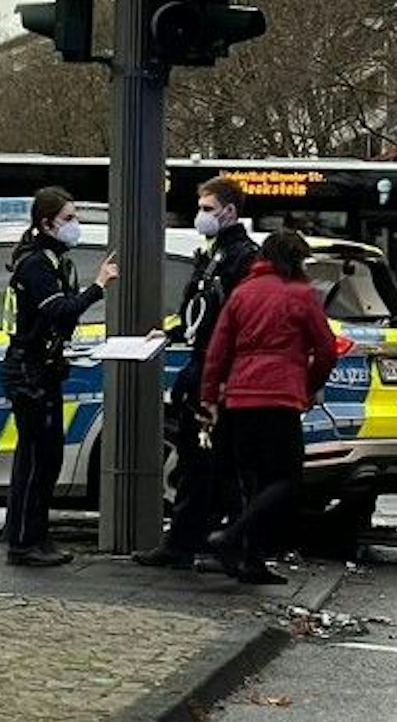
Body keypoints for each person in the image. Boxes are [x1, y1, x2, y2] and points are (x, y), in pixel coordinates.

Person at [199, 229, 337, 586]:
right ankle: (233, 536)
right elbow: (326, 350)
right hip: (280, 398)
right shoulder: (301, 295)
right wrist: (307, 386)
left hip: (240, 397)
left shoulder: (243, 292)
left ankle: (251, 561)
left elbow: (217, 350)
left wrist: (209, 397)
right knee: (286, 479)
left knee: (253, 481)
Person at [136, 174, 259, 569]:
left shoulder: (244, 258)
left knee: (221, 464)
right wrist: (170, 330)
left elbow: (234, 319)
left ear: (229, 211)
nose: (200, 217)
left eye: (207, 209)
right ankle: (190, 542)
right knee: (198, 461)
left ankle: (229, 544)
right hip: (201, 365)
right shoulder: (209, 255)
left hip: (220, 369)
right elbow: (194, 309)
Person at [0, 187, 118, 567]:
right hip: (29, 370)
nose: (75, 225)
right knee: (37, 459)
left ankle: (34, 534)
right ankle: (23, 542)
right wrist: (98, 287)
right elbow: (58, 311)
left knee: (45, 458)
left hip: (43, 368)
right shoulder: (36, 265)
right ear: (46, 223)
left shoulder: (52, 260)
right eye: (68, 218)